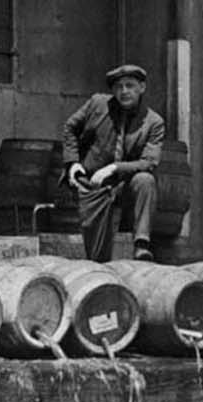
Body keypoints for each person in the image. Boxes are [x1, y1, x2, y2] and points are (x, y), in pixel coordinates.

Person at [61, 63, 167, 262]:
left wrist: (114, 168)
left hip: (124, 186)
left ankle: (141, 245)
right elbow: (70, 128)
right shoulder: (97, 104)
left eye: (130, 85)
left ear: (142, 88)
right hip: (92, 183)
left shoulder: (154, 122)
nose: (124, 91)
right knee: (97, 256)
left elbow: (149, 162)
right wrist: (72, 163)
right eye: (119, 87)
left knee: (145, 180)